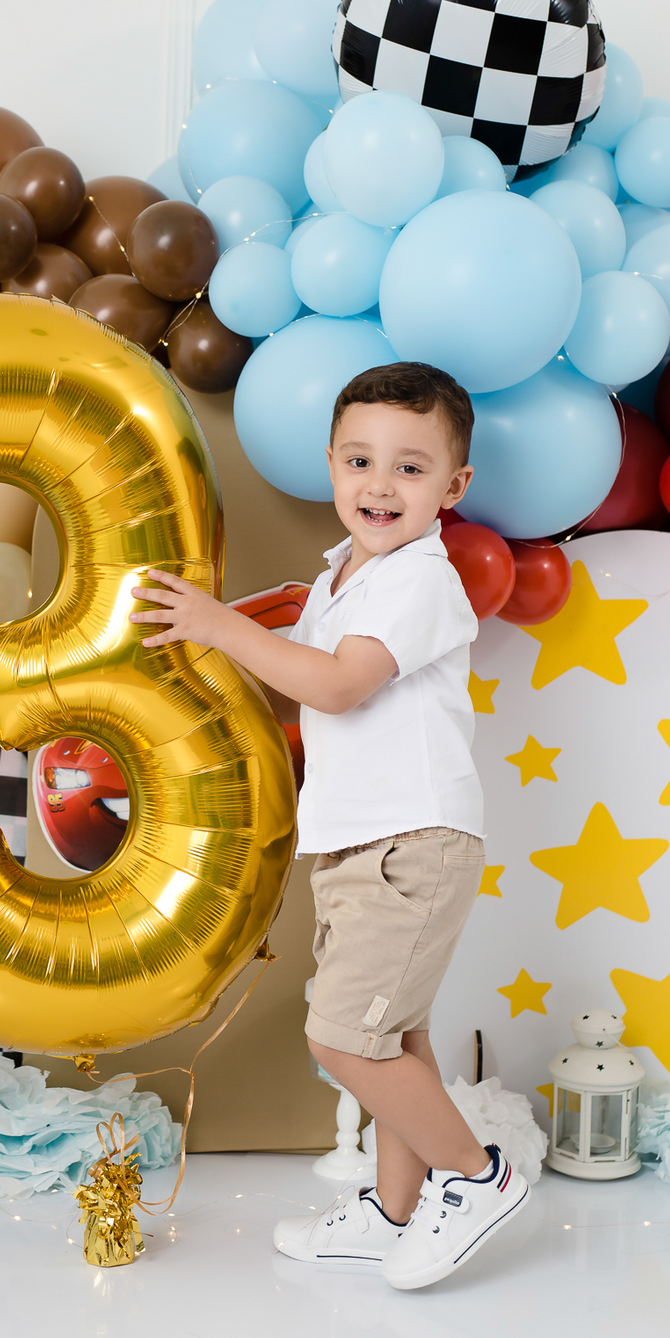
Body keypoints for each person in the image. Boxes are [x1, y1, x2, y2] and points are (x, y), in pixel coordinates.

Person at [130, 361, 527, 1290]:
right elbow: (301, 668)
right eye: (360, 461)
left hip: (412, 842)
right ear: (331, 465)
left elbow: (340, 686)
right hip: (359, 841)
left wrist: (217, 627)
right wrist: (219, 630)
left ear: (453, 488)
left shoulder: (419, 578)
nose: (380, 486)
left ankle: (478, 1177)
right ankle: (393, 1213)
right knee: (396, 1041)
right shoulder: (342, 575)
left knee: (343, 1039)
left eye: (410, 468)